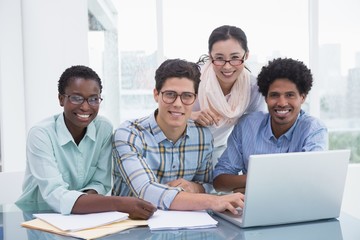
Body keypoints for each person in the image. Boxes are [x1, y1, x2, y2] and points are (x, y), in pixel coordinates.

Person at [16, 65, 156, 219]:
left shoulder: (103, 128)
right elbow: (55, 195)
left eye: (93, 99)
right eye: (76, 98)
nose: (85, 106)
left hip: (82, 215)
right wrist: (118, 203)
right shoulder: (41, 134)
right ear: (61, 99)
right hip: (38, 215)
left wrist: (85, 203)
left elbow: (100, 183)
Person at [112, 59, 244, 214]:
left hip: (185, 225)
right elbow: (146, 191)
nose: (178, 104)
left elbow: (207, 185)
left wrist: (195, 187)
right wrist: (214, 201)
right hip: (131, 227)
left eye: (187, 96)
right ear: (156, 94)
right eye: (170, 95)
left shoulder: (203, 136)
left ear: (195, 98)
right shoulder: (129, 134)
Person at [213, 58, 328, 193]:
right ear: (266, 97)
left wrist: (251, 186)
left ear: (302, 97)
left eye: (290, 95)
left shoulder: (314, 129)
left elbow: (311, 181)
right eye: (274, 95)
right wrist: (272, 181)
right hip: (253, 210)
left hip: (297, 210)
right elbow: (219, 181)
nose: (282, 103)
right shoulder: (247, 126)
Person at [191, 25, 265, 165]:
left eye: (235, 58)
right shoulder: (192, 78)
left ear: (246, 55)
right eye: (219, 58)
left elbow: (257, 130)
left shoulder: (253, 87)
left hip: (217, 148)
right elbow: (164, 111)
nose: (227, 66)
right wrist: (191, 115)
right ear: (210, 55)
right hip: (179, 148)